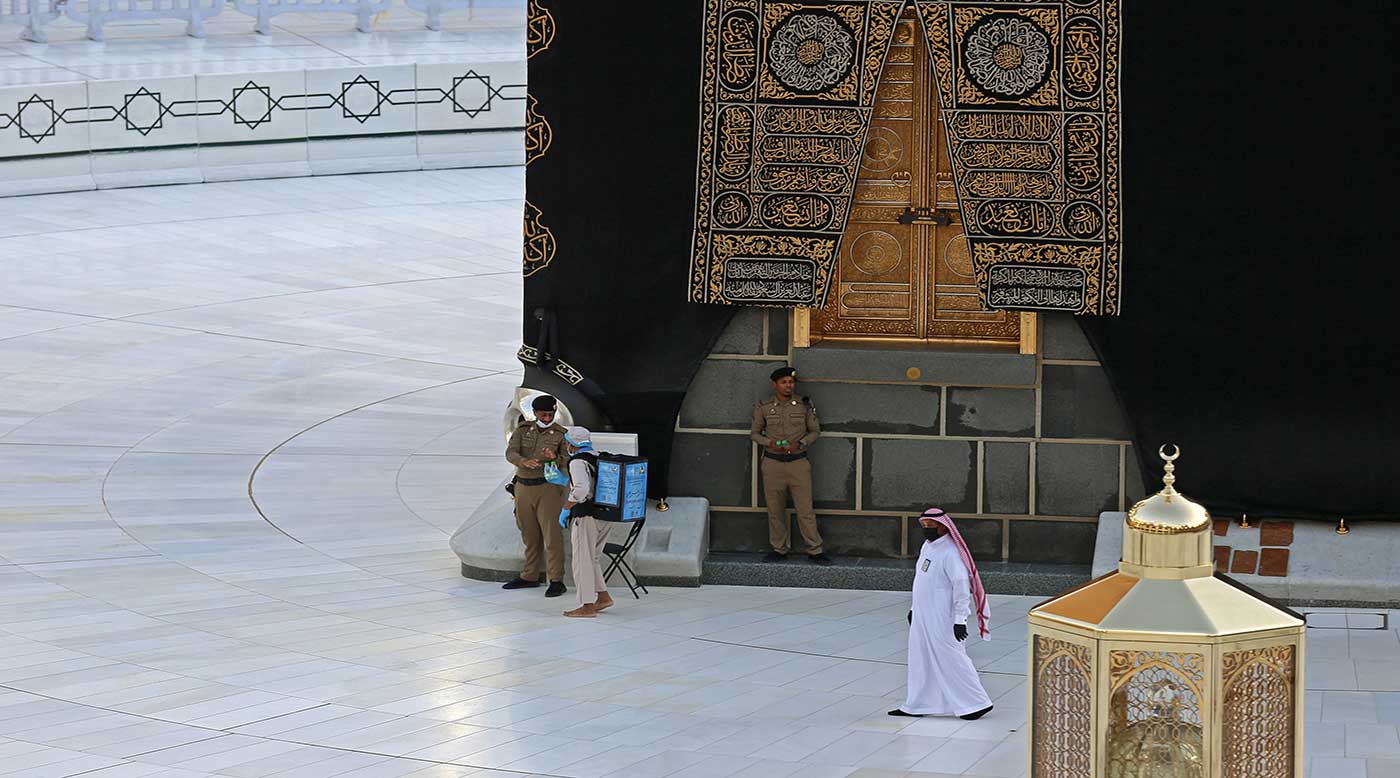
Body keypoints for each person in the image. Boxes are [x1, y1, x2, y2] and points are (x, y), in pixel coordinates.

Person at [890, 507, 994, 720]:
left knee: (952, 657)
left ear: (943, 527)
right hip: (923, 615)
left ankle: (977, 703)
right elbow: (922, 581)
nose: (926, 529)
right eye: (924, 525)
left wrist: (960, 620)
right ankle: (917, 705)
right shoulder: (927, 547)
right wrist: (913, 609)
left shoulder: (951, 553)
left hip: (943, 617)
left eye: (931, 525)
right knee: (920, 658)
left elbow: (961, 588)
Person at [750, 366, 830, 564]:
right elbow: (755, 434)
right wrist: (770, 443)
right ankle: (779, 549)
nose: (788, 386)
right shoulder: (764, 406)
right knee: (775, 509)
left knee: (805, 509)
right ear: (775, 384)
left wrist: (801, 443)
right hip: (772, 463)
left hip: (798, 463)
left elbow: (815, 431)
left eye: (791, 382)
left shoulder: (804, 405)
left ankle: (815, 550)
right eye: (784, 382)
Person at [502, 394, 568, 597]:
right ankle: (529, 576)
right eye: (543, 414)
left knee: (552, 535)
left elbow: (566, 459)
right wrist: (523, 461)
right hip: (523, 487)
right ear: (535, 413)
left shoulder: (561, 434)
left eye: (550, 414)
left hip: (547, 488)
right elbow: (510, 452)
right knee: (528, 533)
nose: (547, 418)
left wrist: (554, 458)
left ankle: (556, 580)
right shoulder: (523, 430)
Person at [556, 426, 616, 618]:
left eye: (567, 442)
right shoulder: (598, 457)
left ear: (571, 444)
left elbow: (581, 489)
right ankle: (603, 597)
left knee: (582, 560)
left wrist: (566, 508)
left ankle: (587, 606)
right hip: (604, 515)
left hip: (586, 516)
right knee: (593, 558)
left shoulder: (577, 462)